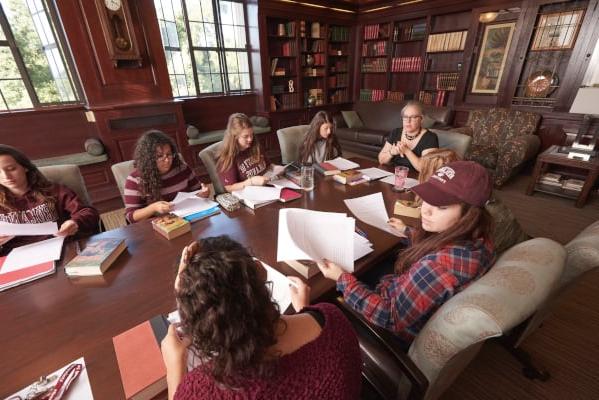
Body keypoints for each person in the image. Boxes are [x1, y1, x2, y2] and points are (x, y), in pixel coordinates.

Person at [316, 161, 495, 346]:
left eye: (441, 207)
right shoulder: (480, 239)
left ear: (469, 215)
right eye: (428, 198)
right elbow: (436, 249)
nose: (425, 209)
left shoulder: (437, 267)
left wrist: (341, 278)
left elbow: (389, 316)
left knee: (324, 295)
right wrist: (407, 232)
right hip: (407, 294)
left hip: (391, 327)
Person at [160, 236, 361, 400]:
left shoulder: (197, 391)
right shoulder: (332, 321)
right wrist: (305, 311)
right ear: (260, 271)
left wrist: (175, 370)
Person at [0, 145, 99, 256]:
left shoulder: (54, 191)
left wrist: (75, 222)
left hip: (60, 249)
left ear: (25, 167)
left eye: (11, 169)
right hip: (17, 257)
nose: (6, 176)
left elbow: (88, 212)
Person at [124, 130, 209, 223]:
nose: (167, 160)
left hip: (188, 218)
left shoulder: (182, 168)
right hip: (157, 225)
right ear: (148, 158)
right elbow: (131, 217)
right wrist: (153, 208)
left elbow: (197, 191)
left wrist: (203, 194)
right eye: (160, 156)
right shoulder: (135, 179)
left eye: (169, 154)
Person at [217, 113, 271, 193]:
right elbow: (229, 188)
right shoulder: (228, 157)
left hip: (268, 188)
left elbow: (268, 166)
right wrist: (251, 182)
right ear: (235, 137)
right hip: (248, 194)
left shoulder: (255, 145)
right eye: (245, 136)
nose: (250, 139)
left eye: (251, 135)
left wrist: (274, 168)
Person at [378, 101, 439, 171]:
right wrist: (391, 152)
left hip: (416, 178)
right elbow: (381, 160)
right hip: (395, 174)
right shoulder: (395, 132)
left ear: (421, 119)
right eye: (405, 117)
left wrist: (407, 151)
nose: (408, 121)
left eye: (413, 117)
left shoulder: (430, 138)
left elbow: (425, 168)